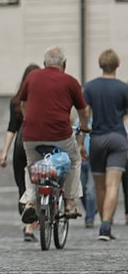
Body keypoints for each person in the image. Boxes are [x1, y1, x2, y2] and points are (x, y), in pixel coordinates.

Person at [18, 46, 90, 225]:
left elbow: (23, 103)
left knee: (31, 166)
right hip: (60, 135)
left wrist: (28, 120)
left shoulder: (32, 77)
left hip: (31, 135)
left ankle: (30, 202)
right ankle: (70, 202)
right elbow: (83, 110)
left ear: (44, 64)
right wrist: (84, 126)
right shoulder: (70, 81)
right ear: (64, 64)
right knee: (74, 160)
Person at [82, 49, 128, 241]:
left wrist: (80, 141)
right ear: (117, 65)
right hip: (118, 138)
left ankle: (104, 224)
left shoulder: (90, 87)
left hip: (97, 139)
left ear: (101, 64)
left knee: (100, 187)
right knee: (113, 185)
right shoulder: (123, 88)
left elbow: (84, 113)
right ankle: (105, 226)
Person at [0, 63, 40, 241]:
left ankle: (28, 226)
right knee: (36, 185)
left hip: (18, 146)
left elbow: (12, 129)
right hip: (35, 144)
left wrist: (4, 152)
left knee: (23, 188)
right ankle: (30, 227)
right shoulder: (42, 100)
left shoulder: (16, 101)